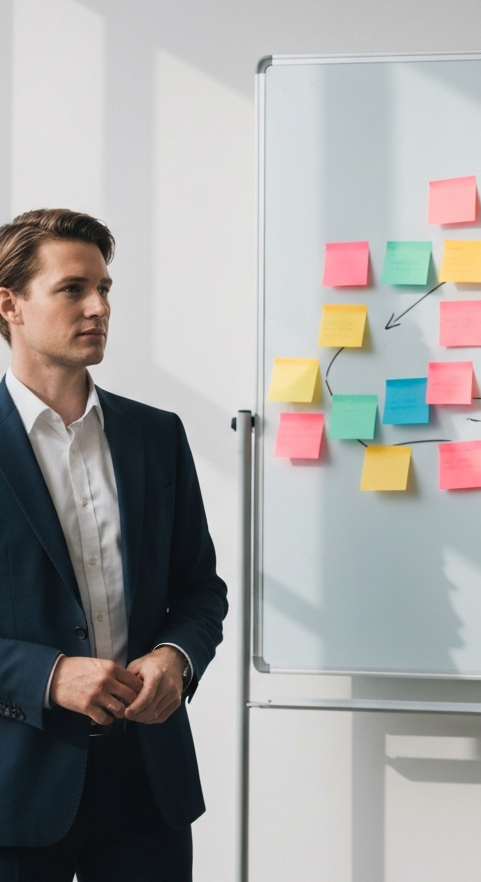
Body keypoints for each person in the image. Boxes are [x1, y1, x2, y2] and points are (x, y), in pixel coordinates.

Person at [0, 209, 228, 880]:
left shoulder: (156, 435)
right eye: (72, 289)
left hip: (148, 781)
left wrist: (176, 658)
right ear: (9, 305)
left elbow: (201, 589)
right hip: (16, 784)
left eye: (103, 288)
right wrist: (47, 676)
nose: (98, 307)